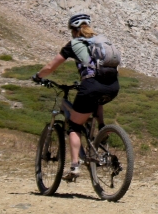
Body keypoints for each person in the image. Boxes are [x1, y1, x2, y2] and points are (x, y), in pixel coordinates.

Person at [33, 13, 120, 181]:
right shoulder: (100, 42)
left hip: (91, 87)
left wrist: (38, 76)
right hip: (113, 87)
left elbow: (51, 66)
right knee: (95, 100)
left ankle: (74, 166)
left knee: (74, 126)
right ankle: (102, 130)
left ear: (74, 30)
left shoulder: (73, 44)